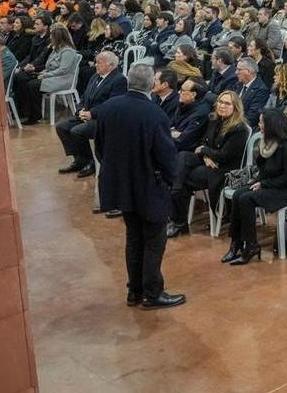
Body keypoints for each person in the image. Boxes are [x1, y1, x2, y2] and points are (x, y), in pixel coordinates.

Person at [94, 63, 184, 309]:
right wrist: (169, 180)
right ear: (150, 86)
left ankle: (134, 290)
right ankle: (153, 293)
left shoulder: (108, 108)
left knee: (133, 237)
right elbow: (166, 155)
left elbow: (100, 147)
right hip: (149, 185)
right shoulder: (155, 114)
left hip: (121, 185)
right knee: (154, 240)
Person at [223, 109, 287, 266]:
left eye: (262, 122)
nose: (259, 125)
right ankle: (236, 243)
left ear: (272, 125)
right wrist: (260, 179)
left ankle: (251, 245)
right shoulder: (268, 142)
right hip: (272, 183)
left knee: (247, 198)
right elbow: (264, 170)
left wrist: (263, 184)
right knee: (238, 194)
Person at [168, 90, 250, 238]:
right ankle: (178, 219)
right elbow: (201, 142)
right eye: (220, 102)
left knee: (183, 179)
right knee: (183, 156)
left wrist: (205, 150)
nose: (222, 106)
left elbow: (224, 155)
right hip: (208, 161)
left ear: (235, 107)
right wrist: (206, 156)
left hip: (224, 169)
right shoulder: (213, 120)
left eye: (227, 103)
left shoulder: (239, 129)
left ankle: (178, 222)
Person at [56, 50, 126, 177]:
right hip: (87, 114)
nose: (96, 65)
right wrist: (80, 110)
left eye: (99, 63)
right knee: (61, 126)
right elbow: (84, 97)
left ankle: (90, 163)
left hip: (104, 120)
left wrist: (91, 114)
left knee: (77, 131)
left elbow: (112, 105)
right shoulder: (95, 76)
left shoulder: (119, 80)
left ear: (110, 65)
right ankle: (79, 159)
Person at [170, 78, 211, 153]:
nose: (179, 92)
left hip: (185, 151)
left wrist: (175, 133)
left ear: (193, 95)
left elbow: (184, 141)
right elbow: (169, 126)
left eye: (182, 90)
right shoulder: (183, 105)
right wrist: (174, 133)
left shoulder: (200, 114)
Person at [233, 56, 269, 130]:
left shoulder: (261, 90)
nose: (236, 72)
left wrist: (232, 123)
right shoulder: (238, 84)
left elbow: (252, 117)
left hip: (242, 128)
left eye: (239, 70)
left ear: (249, 71)